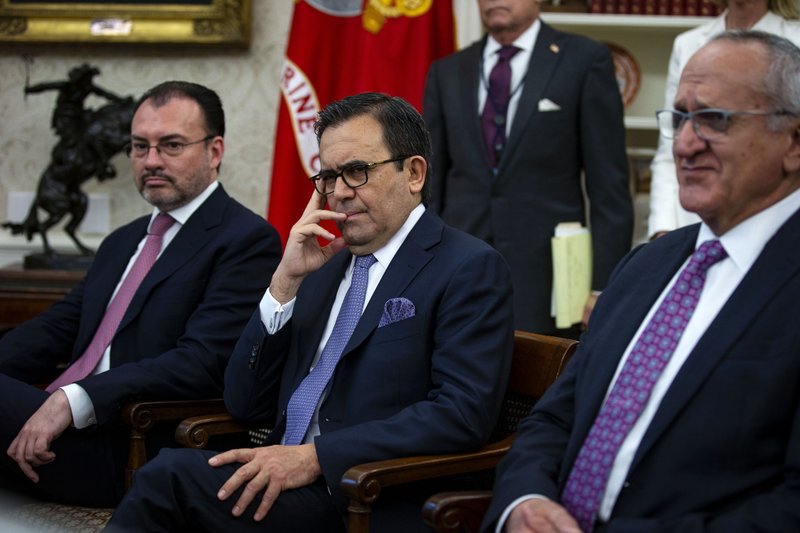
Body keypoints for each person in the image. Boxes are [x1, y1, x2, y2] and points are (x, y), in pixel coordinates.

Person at [106, 92, 515, 533]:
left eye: (356, 172)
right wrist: (284, 284)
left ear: (413, 173)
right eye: (328, 175)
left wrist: (315, 457)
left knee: (168, 479)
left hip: (365, 495)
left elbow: (460, 412)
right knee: (170, 473)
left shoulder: (467, 266)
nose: (337, 193)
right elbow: (244, 403)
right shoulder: (321, 267)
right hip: (283, 479)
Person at [482, 31, 800, 532]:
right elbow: (554, 419)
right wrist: (523, 501)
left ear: (794, 142)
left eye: (714, 119)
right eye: (679, 118)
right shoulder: (646, 266)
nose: (686, 144)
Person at [0, 81, 282, 508]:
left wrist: (77, 398)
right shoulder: (122, 241)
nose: (150, 161)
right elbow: (58, 326)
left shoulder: (246, 240)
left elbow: (202, 361)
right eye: (138, 146)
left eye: (170, 145)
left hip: (128, 443)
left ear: (215, 150)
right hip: (54, 423)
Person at [423, 0, 633, 336]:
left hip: (551, 281)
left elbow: (609, 187)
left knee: (539, 382)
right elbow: (429, 187)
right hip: (459, 272)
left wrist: (603, 287)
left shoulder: (582, 60)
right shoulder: (448, 71)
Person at [647, 0, 800, 238]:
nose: (687, 144)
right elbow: (669, 148)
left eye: (715, 117)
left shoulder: (795, 38)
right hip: (691, 228)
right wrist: (662, 230)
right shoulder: (688, 44)